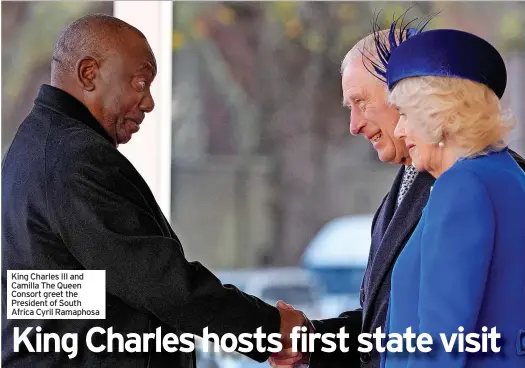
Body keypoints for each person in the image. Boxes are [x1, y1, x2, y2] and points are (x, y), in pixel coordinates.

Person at [1, 14, 307, 367]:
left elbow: (72, 294)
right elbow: (158, 281)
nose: (148, 102)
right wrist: (271, 328)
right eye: (139, 82)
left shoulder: (44, 145)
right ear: (89, 74)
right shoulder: (72, 158)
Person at [269, 19, 525, 368]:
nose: (354, 125)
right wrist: (317, 342)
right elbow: (385, 322)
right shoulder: (489, 176)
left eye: (363, 102)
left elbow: (439, 344)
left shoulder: (462, 185)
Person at [377, 27, 525, 368]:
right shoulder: (508, 177)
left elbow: (441, 344)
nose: (398, 130)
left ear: (438, 114)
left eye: (403, 114)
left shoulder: (462, 187)